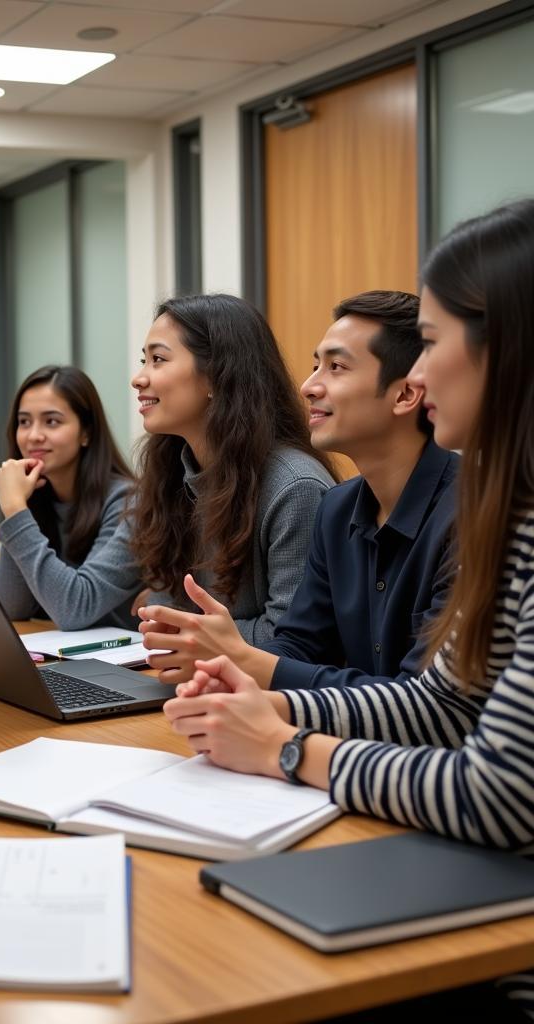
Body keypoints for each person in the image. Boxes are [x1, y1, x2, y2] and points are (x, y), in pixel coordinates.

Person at [165, 200, 534, 1020]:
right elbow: (445, 706)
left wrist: (289, 747)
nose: (423, 375)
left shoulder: (485, 513)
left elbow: (501, 794)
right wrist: (266, 704)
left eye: (434, 345)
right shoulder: (508, 515)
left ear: (507, 350)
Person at [138, 291, 459, 692]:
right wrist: (230, 670)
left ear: (406, 394)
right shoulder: (338, 509)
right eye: (314, 366)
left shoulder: (472, 515)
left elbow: (424, 702)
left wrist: (236, 658)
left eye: (336, 367)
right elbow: (302, 644)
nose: (308, 386)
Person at [129, 294, 335, 643]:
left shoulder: (295, 487)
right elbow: (169, 613)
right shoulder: (173, 473)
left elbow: (293, 641)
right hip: (200, 680)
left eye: (158, 360)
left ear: (215, 376)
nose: (138, 378)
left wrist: (185, 631)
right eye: (143, 361)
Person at [0, 364, 142, 630]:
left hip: (133, 663)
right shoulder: (36, 497)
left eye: (52, 421)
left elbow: (75, 607)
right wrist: (18, 506)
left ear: (86, 433)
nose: (33, 436)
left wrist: (15, 509)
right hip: (71, 657)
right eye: (24, 421)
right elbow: (11, 606)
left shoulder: (129, 501)